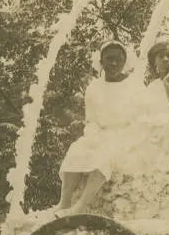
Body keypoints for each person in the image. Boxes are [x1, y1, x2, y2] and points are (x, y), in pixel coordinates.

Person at [54, 40, 142, 214]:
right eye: (109, 59)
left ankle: (81, 206)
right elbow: (91, 120)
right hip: (100, 133)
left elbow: (141, 117)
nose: (114, 63)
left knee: (104, 156)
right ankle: (64, 203)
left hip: (127, 135)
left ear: (125, 61)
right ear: (101, 61)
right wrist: (94, 138)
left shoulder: (135, 86)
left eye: (118, 59)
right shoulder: (94, 88)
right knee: (77, 150)